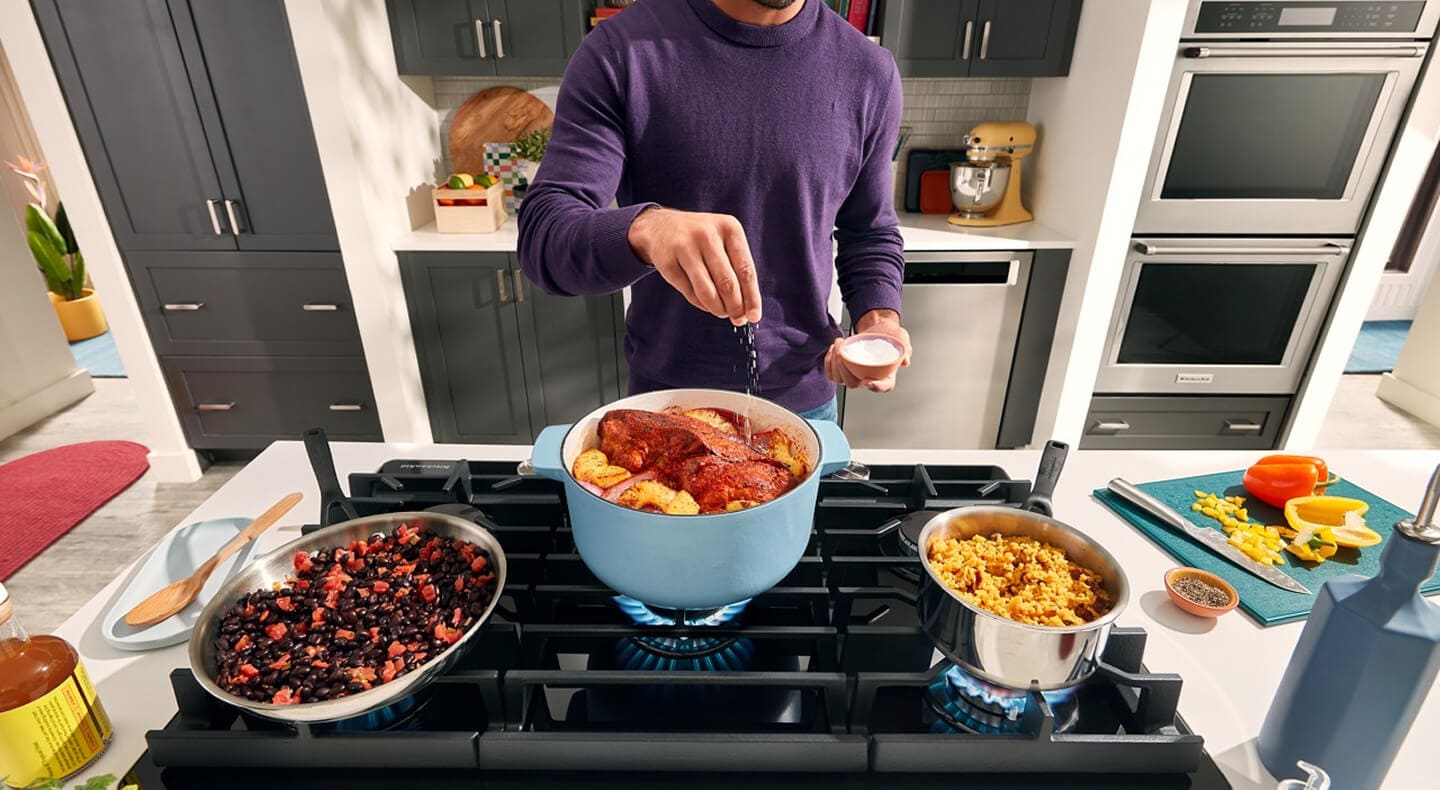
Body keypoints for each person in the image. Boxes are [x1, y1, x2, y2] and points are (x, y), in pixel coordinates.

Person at [517, 0, 910, 422]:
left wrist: (879, 321)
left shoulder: (869, 71)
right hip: (667, 406)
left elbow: (869, 232)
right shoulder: (622, 51)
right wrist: (645, 229)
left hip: (806, 403)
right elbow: (545, 237)